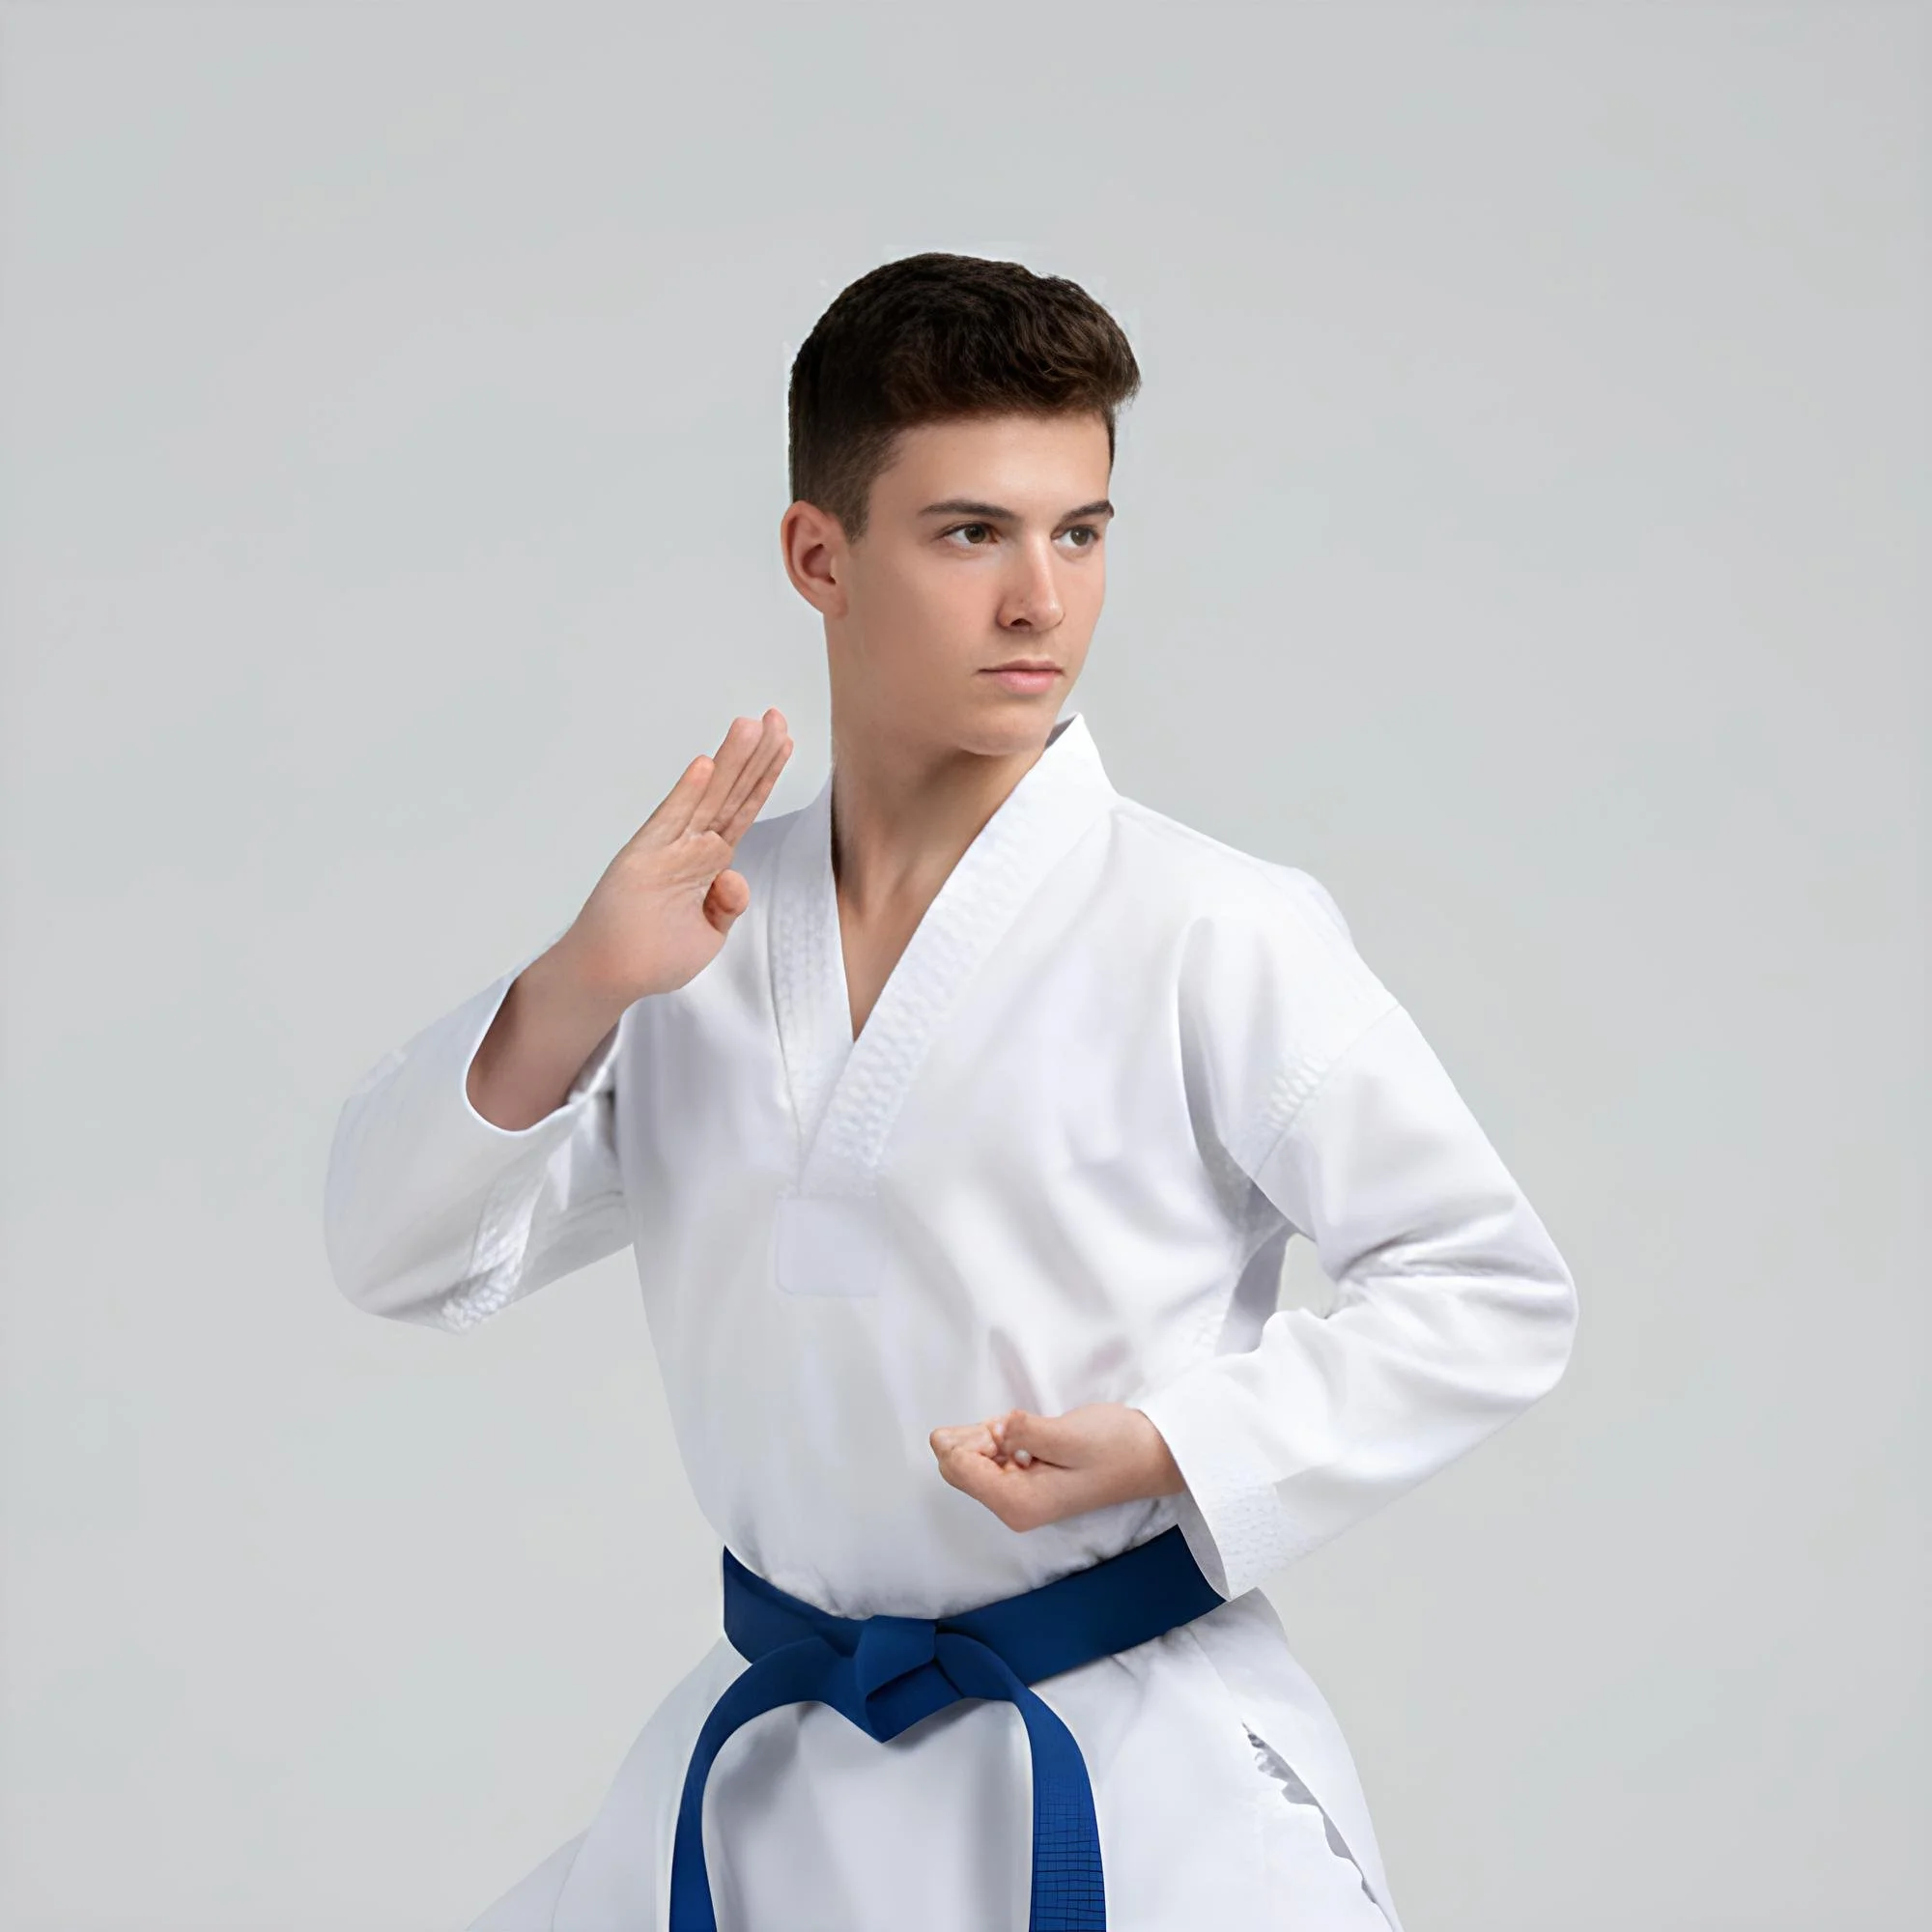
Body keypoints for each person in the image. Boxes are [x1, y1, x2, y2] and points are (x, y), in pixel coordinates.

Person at [323, 251, 1578, 1932]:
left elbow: (1493, 1289)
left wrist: (1168, 1447)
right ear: (818, 556)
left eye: (1083, 531)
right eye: (973, 531)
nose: (1041, 603)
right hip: (771, 1784)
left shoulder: (1210, 927)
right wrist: (577, 984)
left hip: (1141, 1787)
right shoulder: (688, 939)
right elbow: (389, 1255)